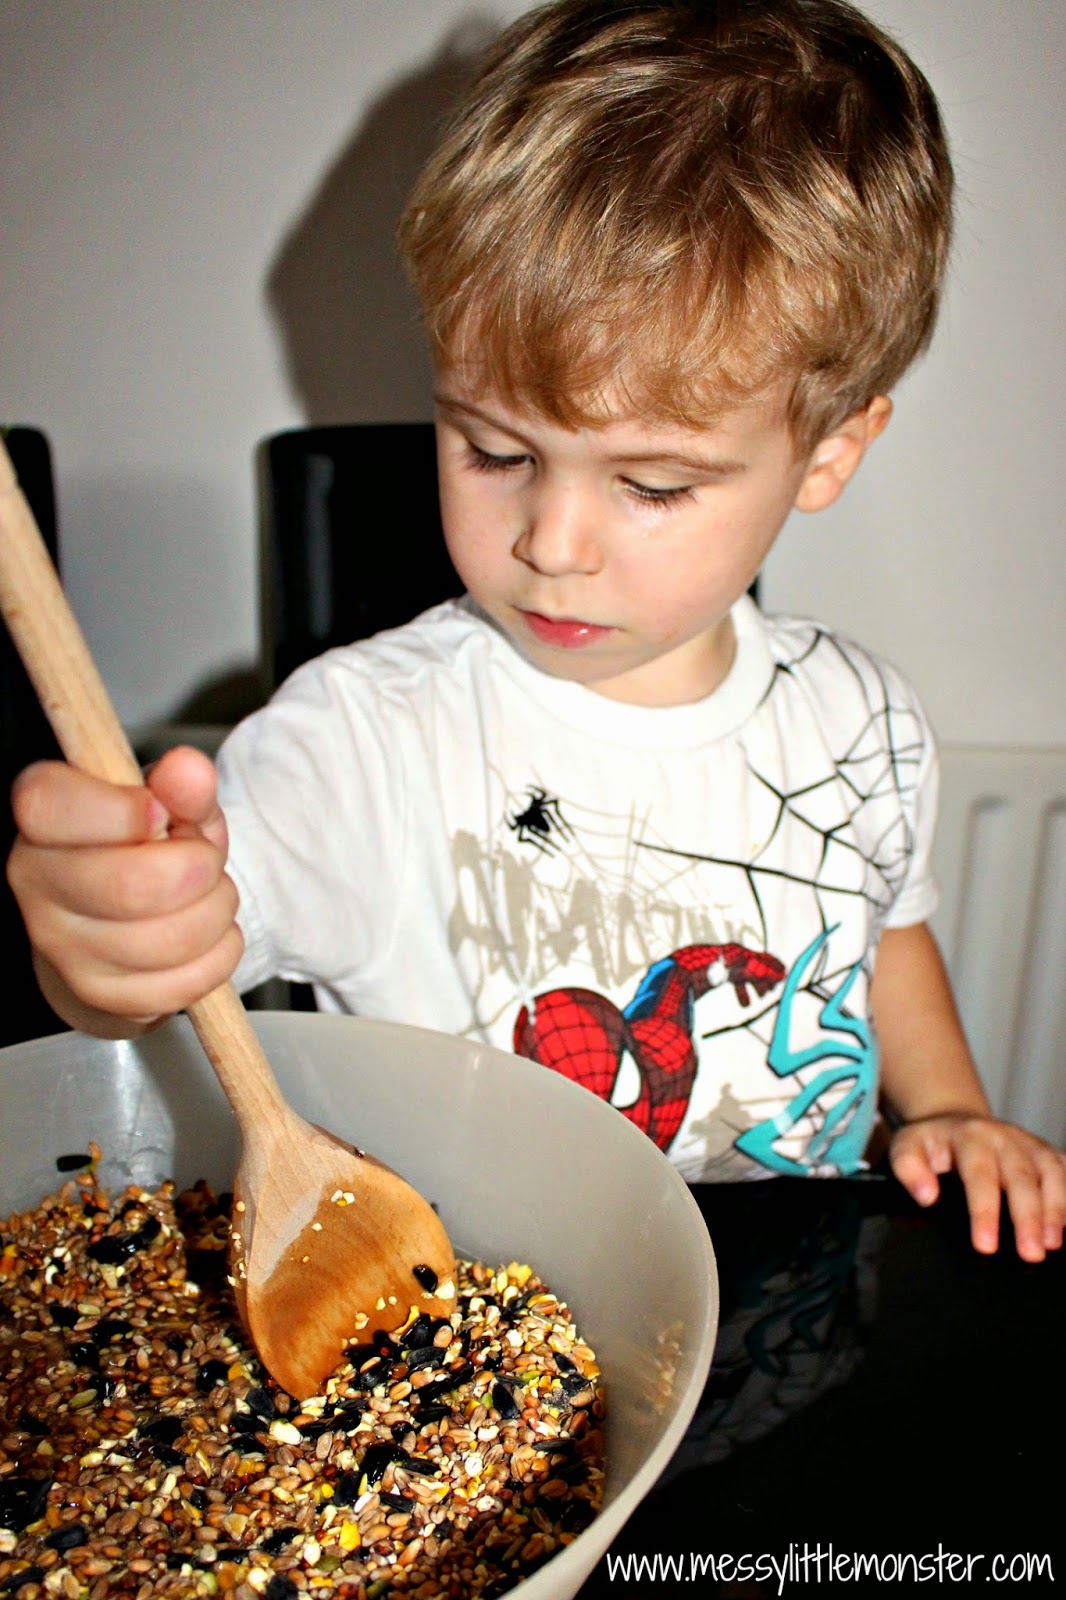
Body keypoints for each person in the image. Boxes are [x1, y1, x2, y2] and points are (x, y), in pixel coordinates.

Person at [9, 0, 1064, 1263]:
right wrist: (111, 940)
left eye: (653, 483)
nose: (551, 541)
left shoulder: (863, 715)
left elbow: (884, 930)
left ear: (830, 448)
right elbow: (175, 954)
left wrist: (949, 1105)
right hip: (495, 1341)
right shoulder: (365, 735)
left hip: (785, 1326)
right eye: (493, 448)